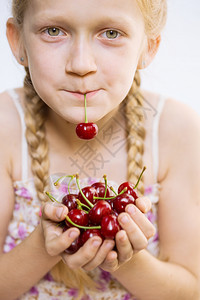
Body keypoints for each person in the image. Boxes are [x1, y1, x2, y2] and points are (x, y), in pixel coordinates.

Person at [0, 0, 200, 299]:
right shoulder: (5, 125)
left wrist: (122, 257)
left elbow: (191, 290)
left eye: (111, 33)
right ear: (18, 42)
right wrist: (43, 247)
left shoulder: (176, 130)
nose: (81, 65)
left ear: (149, 47)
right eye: (53, 30)